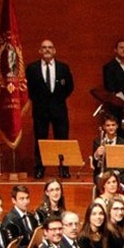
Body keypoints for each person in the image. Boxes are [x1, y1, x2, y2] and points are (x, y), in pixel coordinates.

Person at [25, 39, 74, 179]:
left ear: (54, 50)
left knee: (62, 140)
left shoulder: (63, 68)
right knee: (40, 140)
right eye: (44, 47)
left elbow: (70, 87)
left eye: (50, 47)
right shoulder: (32, 68)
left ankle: (64, 169)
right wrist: (40, 101)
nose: (47, 50)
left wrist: (57, 99)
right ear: (39, 51)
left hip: (59, 110)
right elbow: (28, 89)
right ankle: (39, 168)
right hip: (40, 110)